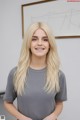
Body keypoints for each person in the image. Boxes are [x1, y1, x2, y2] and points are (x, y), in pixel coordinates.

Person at [4, 22, 67, 120]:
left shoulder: (58, 75)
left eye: (45, 39)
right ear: (28, 43)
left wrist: (54, 115)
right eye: (34, 39)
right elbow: (7, 102)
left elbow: (59, 103)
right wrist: (21, 117)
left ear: (50, 44)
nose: (40, 43)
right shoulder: (15, 73)